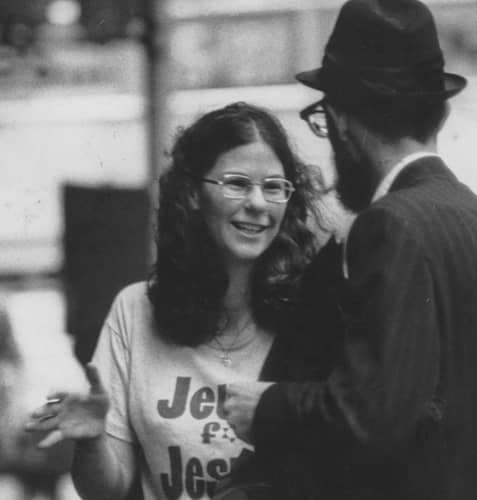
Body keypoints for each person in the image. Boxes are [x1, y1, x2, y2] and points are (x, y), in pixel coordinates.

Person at [223, 1, 477, 499]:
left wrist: (266, 407)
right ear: (439, 111)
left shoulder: (388, 226)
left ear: (341, 118)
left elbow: (374, 414)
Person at [25, 102, 327, 500]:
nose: (257, 202)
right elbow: (106, 491)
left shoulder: (312, 318)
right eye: (236, 183)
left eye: (273, 187)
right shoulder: (134, 310)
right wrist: (92, 439)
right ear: (194, 194)